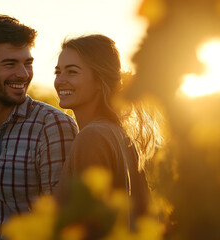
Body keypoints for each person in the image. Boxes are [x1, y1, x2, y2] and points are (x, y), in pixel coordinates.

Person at [0, 15, 77, 240]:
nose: (23, 74)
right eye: (10, 64)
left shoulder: (52, 127)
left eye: (27, 63)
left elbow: (61, 224)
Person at [54, 34, 162, 231]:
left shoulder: (92, 137)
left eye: (72, 72)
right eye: (57, 72)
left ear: (99, 80)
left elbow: (91, 225)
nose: (60, 81)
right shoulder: (120, 134)